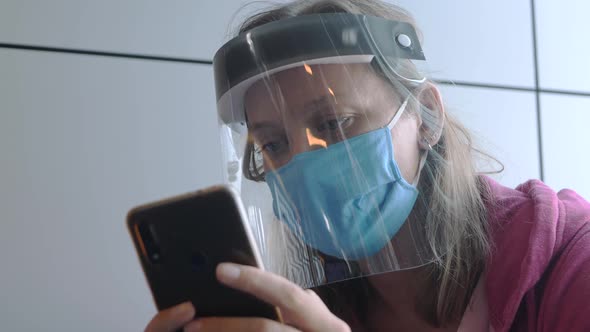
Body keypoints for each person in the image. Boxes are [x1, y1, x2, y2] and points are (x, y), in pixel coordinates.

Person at [145, 1, 590, 331]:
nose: (303, 162)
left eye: (334, 123)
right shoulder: (302, 317)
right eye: (274, 143)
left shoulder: (567, 259)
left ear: (426, 116)